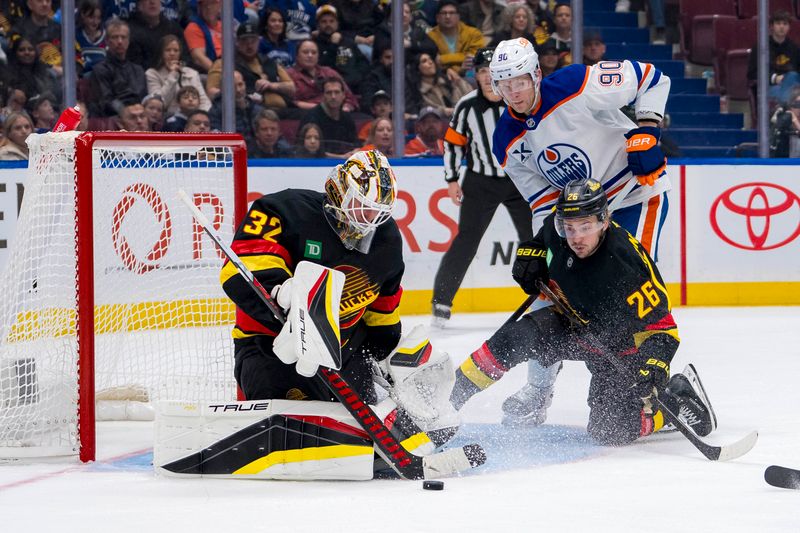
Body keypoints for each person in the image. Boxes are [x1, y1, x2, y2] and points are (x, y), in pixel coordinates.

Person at [448, 178, 717, 446]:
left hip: (622, 350)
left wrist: (654, 366)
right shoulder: (557, 227)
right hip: (575, 325)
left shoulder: (625, 265)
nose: (576, 238)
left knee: (610, 430)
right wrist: (531, 256)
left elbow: (663, 330)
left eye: (585, 227)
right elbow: (542, 241)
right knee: (514, 338)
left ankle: (675, 402)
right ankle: (448, 400)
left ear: (604, 221)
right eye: (570, 228)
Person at [488, 37, 671, 426]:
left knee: (631, 290)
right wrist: (543, 248)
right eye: (504, 84)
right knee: (550, 293)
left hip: (635, 196)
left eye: (519, 80)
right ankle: (538, 392)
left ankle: (650, 381)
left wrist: (648, 130)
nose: (514, 92)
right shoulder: (505, 138)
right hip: (580, 217)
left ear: (536, 73)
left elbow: (653, 78)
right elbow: (544, 204)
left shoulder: (576, 84)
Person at [220, 149, 403, 416]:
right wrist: (281, 293)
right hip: (272, 345)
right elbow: (237, 273)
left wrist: (384, 354)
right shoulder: (283, 210)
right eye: (361, 205)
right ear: (339, 190)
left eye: (377, 212)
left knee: (360, 439)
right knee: (293, 426)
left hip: (346, 353)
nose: (368, 219)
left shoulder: (386, 237)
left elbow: (384, 306)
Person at [431, 48, 532, 326]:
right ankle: (441, 302)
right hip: (480, 181)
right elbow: (453, 143)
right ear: (475, 75)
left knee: (535, 239)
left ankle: (545, 296)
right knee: (466, 241)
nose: (488, 77)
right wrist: (451, 179)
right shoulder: (466, 106)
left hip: (518, 179)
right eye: (482, 72)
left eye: (491, 71)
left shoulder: (517, 100)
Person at [206, 22, 295, 108]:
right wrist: (243, 97)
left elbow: (292, 88)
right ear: (237, 42)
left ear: (259, 41)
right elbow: (211, 92)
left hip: (283, 111)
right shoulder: (224, 63)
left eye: (253, 41)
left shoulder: (269, 61)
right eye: (244, 41)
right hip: (247, 112)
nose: (249, 45)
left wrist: (272, 85)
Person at [89, 18, 147, 117]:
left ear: (128, 41)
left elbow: (143, 97)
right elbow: (106, 101)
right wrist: (125, 111)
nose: (120, 41)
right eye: (115, 37)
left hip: (139, 113)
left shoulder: (138, 70)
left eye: (123, 37)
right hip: (115, 116)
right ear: (107, 41)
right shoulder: (99, 70)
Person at [145, 34, 211, 115]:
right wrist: (172, 75)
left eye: (176, 50)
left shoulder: (192, 73)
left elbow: (204, 101)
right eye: (168, 50)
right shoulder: (152, 74)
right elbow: (160, 103)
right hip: (168, 117)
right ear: (161, 52)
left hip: (193, 116)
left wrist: (201, 117)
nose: (172, 53)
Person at [287, 39, 359, 112]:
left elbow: (350, 98)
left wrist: (346, 108)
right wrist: (321, 108)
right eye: (305, 52)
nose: (310, 55)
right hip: (302, 115)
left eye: (314, 52)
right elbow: (289, 102)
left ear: (318, 56)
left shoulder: (329, 72)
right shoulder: (289, 74)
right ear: (297, 56)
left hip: (335, 113)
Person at [313, 5, 370, 96]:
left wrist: (357, 77)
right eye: (324, 22)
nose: (328, 24)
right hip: (330, 90)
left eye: (332, 21)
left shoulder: (348, 41)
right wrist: (333, 45)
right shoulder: (314, 44)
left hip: (355, 86)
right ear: (318, 25)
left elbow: (363, 63)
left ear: (337, 23)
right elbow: (322, 67)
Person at [747, 10, 800, 106]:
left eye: (785, 24)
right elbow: (752, 73)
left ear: (789, 27)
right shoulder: (760, 47)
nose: (782, 27)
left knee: (792, 77)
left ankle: (785, 111)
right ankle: (787, 110)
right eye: (778, 23)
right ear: (771, 26)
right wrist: (774, 78)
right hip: (770, 87)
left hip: (792, 86)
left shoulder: (795, 48)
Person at [298, 77, 357, 156]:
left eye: (337, 92)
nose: (333, 96)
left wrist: (355, 151)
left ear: (343, 95)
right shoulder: (311, 117)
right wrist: (339, 157)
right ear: (323, 96)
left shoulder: (347, 118)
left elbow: (355, 144)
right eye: (329, 93)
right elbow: (308, 150)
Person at [426, 0, 486, 76]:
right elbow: (432, 61)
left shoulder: (473, 33)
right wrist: (460, 65)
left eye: (451, 13)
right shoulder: (430, 36)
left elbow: (475, 56)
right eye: (444, 13)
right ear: (437, 17)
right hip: (441, 75)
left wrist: (443, 59)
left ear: (458, 16)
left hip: (469, 73)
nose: (447, 16)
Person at [406, 51, 472, 117]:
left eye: (430, 59)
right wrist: (444, 111)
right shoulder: (421, 92)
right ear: (418, 69)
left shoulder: (449, 78)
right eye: (424, 61)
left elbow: (470, 94)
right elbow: (429, 112)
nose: (430, 62)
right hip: (444, 124)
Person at [125, 0, 186, 70]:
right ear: (139, 6)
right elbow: (135, 65)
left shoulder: (173, 28)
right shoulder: (130, 31)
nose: (152, 2)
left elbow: (185, 56)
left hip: (177, 73)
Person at [183, 0, 222, 73]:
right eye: (204, 4)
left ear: (220, 5)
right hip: (211, 72)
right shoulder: (193, 27)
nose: (208, 7)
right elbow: (199, 59)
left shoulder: (225, 25)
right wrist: (220, 74)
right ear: (199, 7)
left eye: (212, 3)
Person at [75, 0, 106, 77]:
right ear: (83, 14)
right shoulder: (75, 36)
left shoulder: (107, 36)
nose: (95, 22)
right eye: (91, 17)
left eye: (98, 18)